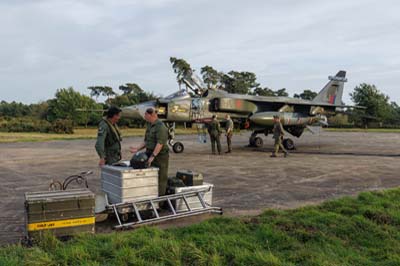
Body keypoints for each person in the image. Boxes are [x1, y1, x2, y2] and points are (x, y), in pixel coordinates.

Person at [130, 108, 169, 196]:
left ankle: (160, 201)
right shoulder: (149, 125)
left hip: (160, 156)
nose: (144, 116)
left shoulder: (160, 126)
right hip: (149, 153)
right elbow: (146, 141)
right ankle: (151, 197)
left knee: (160, 178)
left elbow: (160, 143)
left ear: (151, 115)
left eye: (145, 115)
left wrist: (153, 156)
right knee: (150, 176)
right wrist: (137, 149)